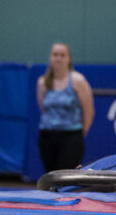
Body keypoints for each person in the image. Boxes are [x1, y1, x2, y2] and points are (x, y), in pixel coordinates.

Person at [36, 42, 95, 172]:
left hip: (71, 137)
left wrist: (79, 134)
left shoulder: (78, 81)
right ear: (50, 57)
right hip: (46, 136)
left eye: (62, 55)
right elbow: (42, 107)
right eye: (55, 55)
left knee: (65, 177)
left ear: (69, 59)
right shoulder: (43, 82)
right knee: (50, 176)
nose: (58, 58)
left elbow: (89, 112)